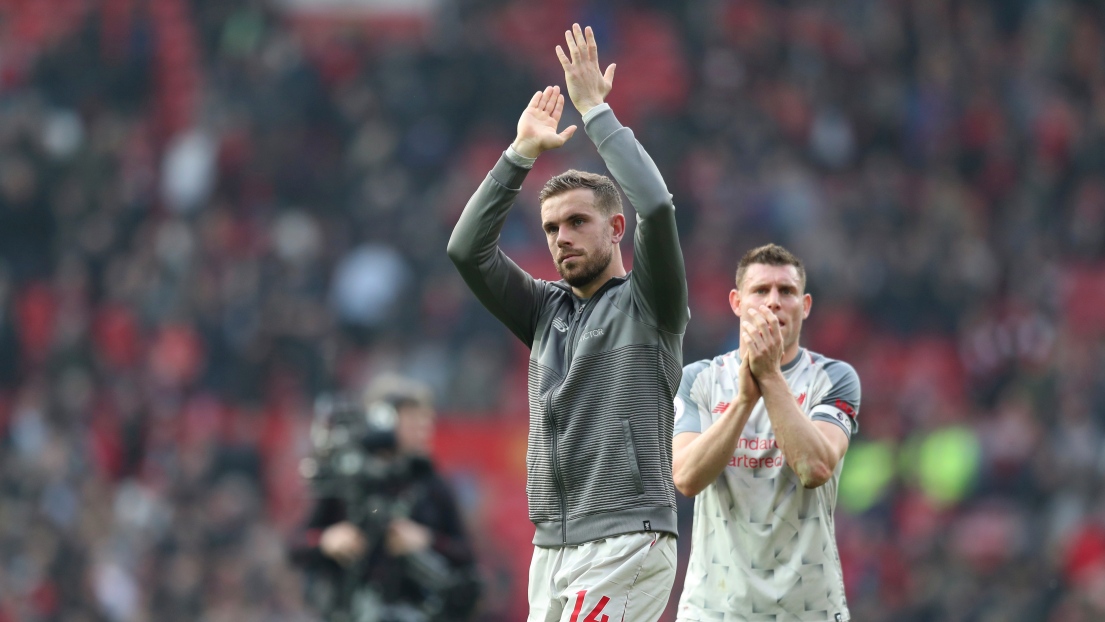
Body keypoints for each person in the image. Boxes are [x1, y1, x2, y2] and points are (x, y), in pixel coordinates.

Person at [447, 24, 688, 622]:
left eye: (578, 222)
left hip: (626, 538)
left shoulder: (649, 303)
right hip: (551, 546)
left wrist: (595, 111)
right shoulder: (544, 310)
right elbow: (466, 252)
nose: (562, 239)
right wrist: (519, 154)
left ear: (615, 228)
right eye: (552, 228)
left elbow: (656, 205)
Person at [671, 244, 861, 622]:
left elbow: (814, 469)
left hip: (809, 609)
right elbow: (687, 477)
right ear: (736, 302)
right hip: (715, 609)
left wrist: (770, 376)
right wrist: (743, 401)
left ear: (805, 306)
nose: (774, 302)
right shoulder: (699, 380)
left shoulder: (835, 378)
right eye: (760, 291)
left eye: (786, 291)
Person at [293, 375, 478, 622]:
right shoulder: (346, 480)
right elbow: (296, 546)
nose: (423, 429)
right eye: (412, 419)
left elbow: (466, 556)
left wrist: (427, 540)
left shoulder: (432, 485)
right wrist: (327, 540)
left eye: (426, 420)